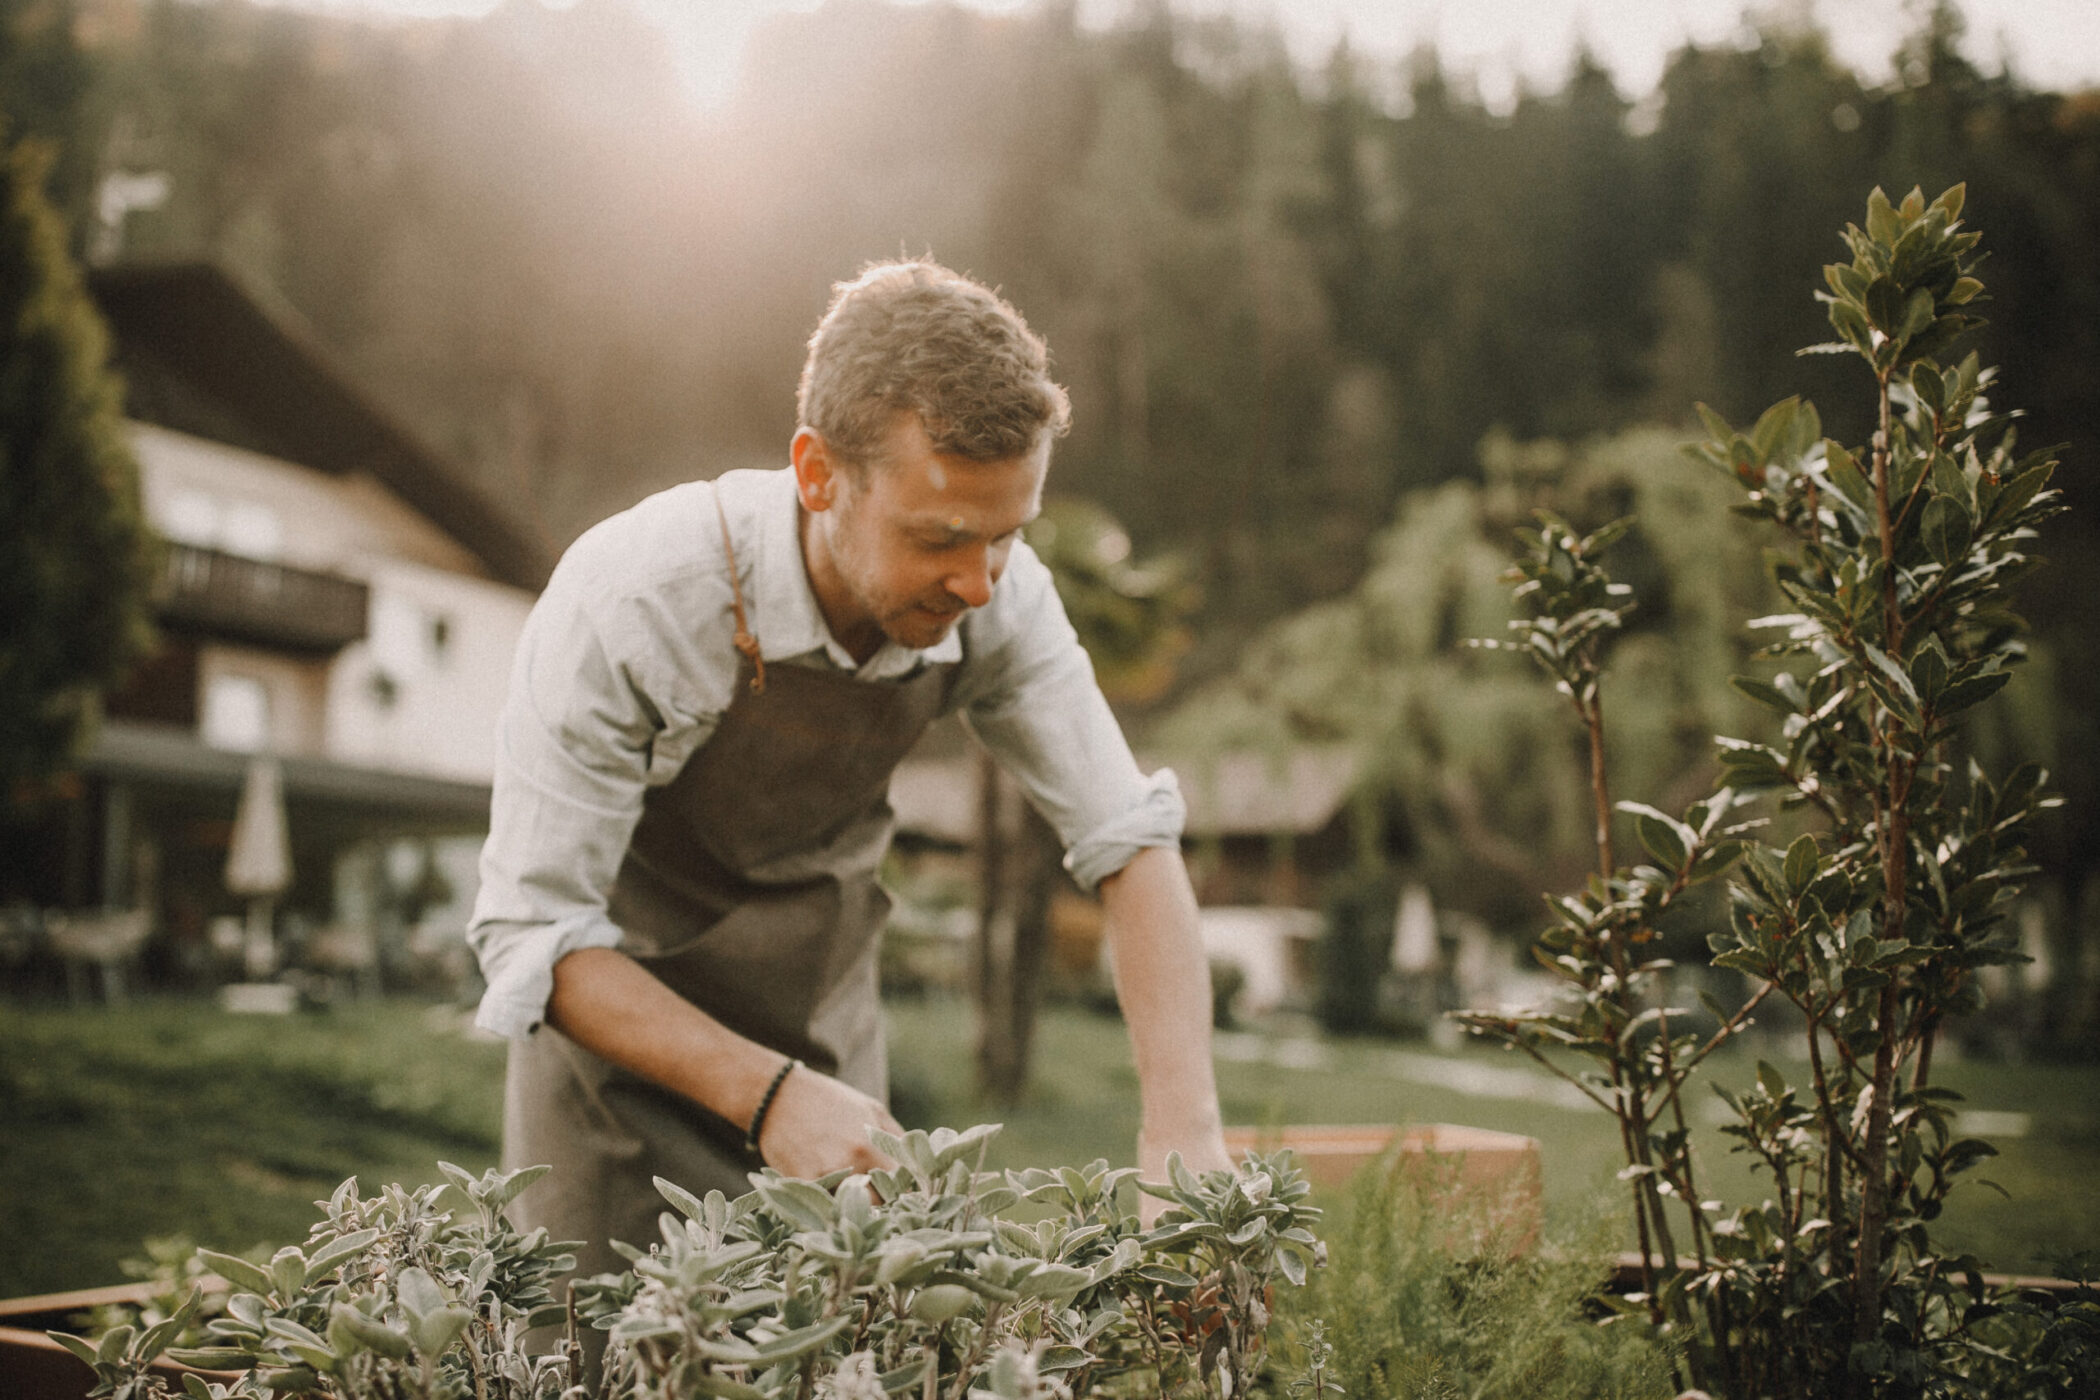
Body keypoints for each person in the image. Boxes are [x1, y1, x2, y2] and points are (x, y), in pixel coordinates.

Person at [467, 259, 1229, 1282]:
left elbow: (1130, 842)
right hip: (618, 1091)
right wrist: (764, 1093)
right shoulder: (635, 603)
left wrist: (1182, 1139)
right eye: (941, 538)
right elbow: (533, 936)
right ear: (820, 473)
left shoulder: (997, 593)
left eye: (1009, 535)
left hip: (832, 1062)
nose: (978, 581)